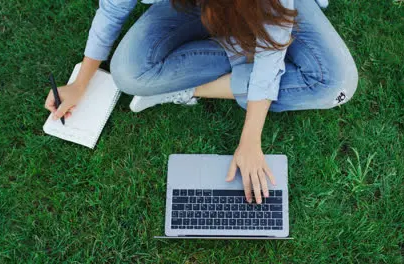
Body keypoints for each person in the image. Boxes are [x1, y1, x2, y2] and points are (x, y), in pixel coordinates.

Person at [44, 0, 358, 204]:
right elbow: (113, 9)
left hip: (268, 6)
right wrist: (80, 82)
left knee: (335, 85)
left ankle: (190, 87)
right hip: (190, 6)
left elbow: (271, 48)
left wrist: (250, 138)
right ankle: (239, 48)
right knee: (128, 73)